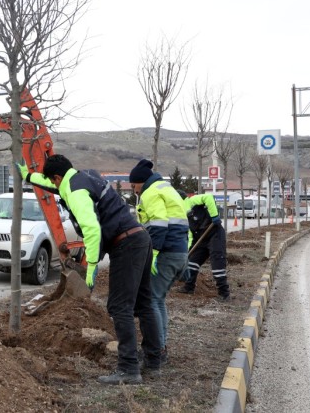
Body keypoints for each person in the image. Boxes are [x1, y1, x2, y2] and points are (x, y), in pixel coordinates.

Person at [18, 155, 162, 385]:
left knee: (119, 306)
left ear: (58, 177)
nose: (53, 186)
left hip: (126, 244)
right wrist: (28, 176)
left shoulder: (75, 192)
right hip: (140, 238)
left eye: (53, 181)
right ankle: (154, 358)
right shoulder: (82, 177)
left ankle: (128, 368)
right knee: (143, 302)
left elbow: (93, 230)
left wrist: (91, 267)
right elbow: (54, 186)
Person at [128, 159, 189, 365]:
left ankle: (157, 351)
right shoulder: (166, 189)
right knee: (158, 299)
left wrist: (151, 255)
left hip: (166, 253)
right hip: (178, 252)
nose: (134, 190)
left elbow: (159, 224)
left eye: (134, 185)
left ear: (141, 182)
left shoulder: (151, 192)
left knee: (151, 300)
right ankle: (161, 346)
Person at [176, 191, 231, 301]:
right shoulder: (181, 213)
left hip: (214, 234)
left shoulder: (192, 201)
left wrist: (214, 215)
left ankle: (224, 293)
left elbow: (209, 197)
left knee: (217, 263)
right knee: (192, 261)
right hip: (200, 238)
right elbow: (190, 235)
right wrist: (189, 250)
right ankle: (189, 287)